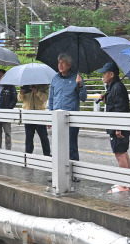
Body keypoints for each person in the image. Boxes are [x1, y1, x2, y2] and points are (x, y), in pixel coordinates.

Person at [48, 53, 87, 182]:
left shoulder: (77, 78)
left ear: (69, 65)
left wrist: (80, 85)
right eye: (59, 62)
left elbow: (83, 98)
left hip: (71, 119)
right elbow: (51, 99)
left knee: (72, 147)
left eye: (63, 63)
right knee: (57, 147)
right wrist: (50, 117)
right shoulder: (55, 79)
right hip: (57, 118)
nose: (60, 65)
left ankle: (74, 173)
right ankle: (56, 173)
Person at [97, 62, 130, 193]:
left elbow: (120, 109)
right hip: (120, 126)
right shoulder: (114, 87)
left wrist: (118, 128)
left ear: (111, 74)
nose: (103, 76)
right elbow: (115, 103)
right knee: (123, 153)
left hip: (118, 127)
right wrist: (106, 98)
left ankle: (123, 185)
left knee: (120, 154)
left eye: (104, 74)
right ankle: (127, 181)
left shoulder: (117, 87)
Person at [18, 84, 51, 156]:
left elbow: (46, 98)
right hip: (28, 113)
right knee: (29, 137)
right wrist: (21, 93)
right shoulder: (25, 84)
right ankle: (28, 154)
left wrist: (37, 92)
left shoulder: (44, 85)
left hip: (40, 114)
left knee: (43, 136)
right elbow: (19, 99)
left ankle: (47, 154)